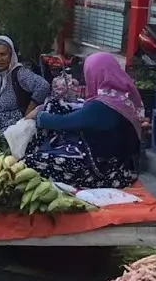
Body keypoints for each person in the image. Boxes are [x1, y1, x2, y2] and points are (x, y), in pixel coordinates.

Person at [21, 53, 143, 189]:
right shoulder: (120, 97)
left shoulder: (104, 105)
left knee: (28, 164)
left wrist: (39, 116)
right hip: (113, 160)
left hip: (103, 170)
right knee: (54, 107)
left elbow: (65, 122)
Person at [0, 36, 49, 132]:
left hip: (14, 131)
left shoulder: (19, 73)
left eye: (3, 54)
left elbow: (43, 86)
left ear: (11, 55)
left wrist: (28, 115)